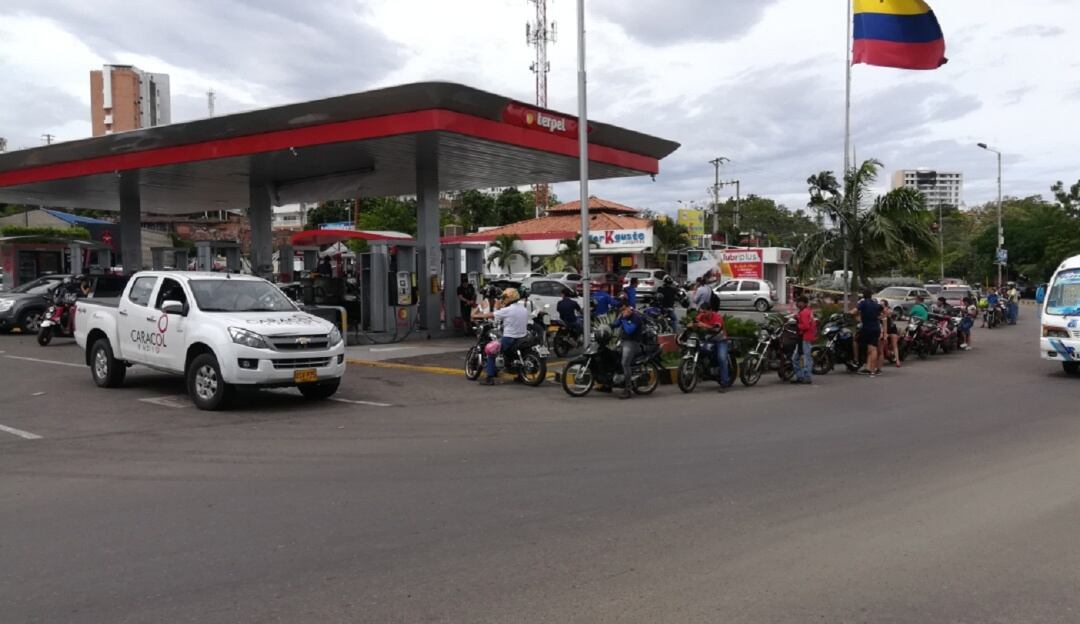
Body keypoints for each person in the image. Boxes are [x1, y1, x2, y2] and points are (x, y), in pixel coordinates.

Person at [478, 288, 530, 386]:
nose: (503, 299)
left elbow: (491, 314)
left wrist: (476, 316)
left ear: (508, 298)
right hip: (523, 337)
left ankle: (489, 377)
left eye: (504, 297)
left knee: (491, 351)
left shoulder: (507, 310)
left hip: (509, 338)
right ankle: (520, 375)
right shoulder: (523, 309)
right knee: (516, 355)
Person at [689, 301, 730, 392]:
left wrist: (703, 325)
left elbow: (717, 328)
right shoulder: (701, 316)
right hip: (708, 340)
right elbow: (693, 323)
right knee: (698, 350)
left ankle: (725, 383)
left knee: (722, 358)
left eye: (705, 312)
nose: (703, 314)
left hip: (720, 340)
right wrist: (691, 325)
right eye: (701, 312)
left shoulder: (717, 317)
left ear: (710, 310)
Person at [611, 300, 645, 399]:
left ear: (626, 307)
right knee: (611, 356)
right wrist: (607, 326)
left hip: (632, 343)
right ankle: (608, 384)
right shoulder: (622, 315)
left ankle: (628, 389)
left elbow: (629, 330)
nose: (620, 310)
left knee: (625, 363)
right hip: (623, 341)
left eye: (621, 308)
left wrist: (624, 319)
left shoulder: (635, 317)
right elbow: (616, 324)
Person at [851, 289, 882, 376]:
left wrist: (848, 313)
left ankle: (872, 370)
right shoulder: (875, 304)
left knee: (872, 348)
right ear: (871, 295)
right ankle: (869, 368)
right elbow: (883, 312)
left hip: (868, 328)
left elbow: (854, 311)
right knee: (871, 348)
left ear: (863, 295)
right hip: (876, 328)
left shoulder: (863, 303)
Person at [792, 295, 816, 384]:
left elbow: (805, 326)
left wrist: (797, 325)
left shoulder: (804, 312)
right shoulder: (805, 311)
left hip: (805, 337)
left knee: (806, 357)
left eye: (800, 302)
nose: (798, 304)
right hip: (804, 337)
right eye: (798, 302)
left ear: (804, 303)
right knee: (796, 358)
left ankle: (806, 377)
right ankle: (800, 376)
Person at [879, 299, 900, 368]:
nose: (881, 306)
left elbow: (890, 313)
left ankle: (897, 360)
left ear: (886, 306)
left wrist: (885, 312)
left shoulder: (888, 311)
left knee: (894, 343)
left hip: (891, 330)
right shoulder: (879, 312)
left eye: (882, 305)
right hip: (884, 330)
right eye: (880, 304)